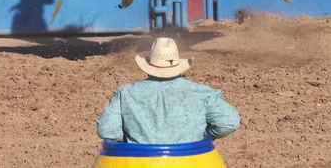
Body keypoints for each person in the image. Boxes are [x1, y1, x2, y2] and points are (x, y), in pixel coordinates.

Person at [97, 37, 240, 144]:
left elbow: (106, 130)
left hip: (139, 161)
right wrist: (203, 137)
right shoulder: (203, 93)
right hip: (190, 160)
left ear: (149, 65)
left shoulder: (125, 93)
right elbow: (229, 122)